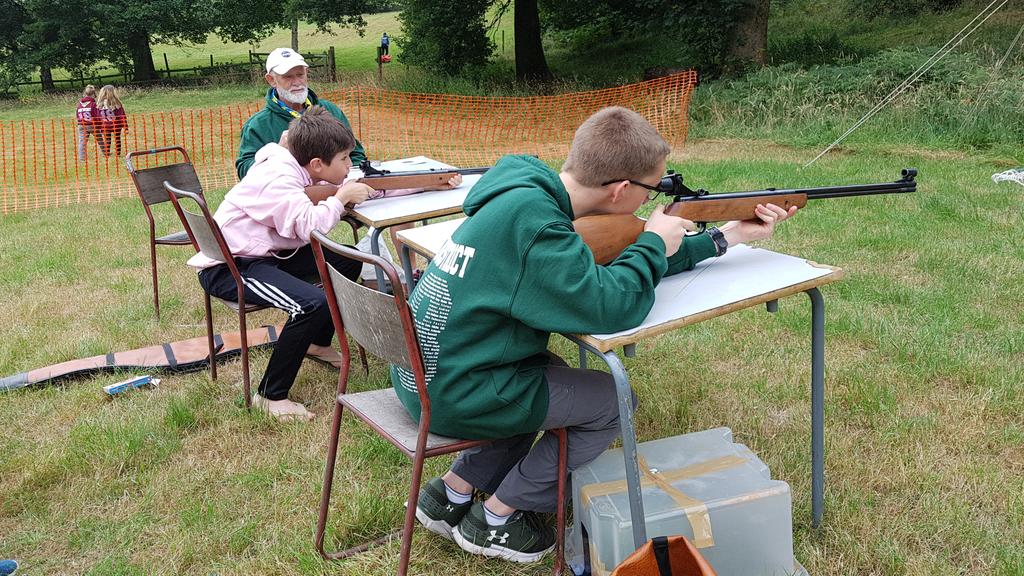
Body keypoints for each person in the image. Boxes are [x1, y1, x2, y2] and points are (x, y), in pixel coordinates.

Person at [398, 106, 797, 562]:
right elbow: (612, 306)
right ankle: (498, 517)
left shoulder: (522, 197)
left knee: (553, 376)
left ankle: (451, 491)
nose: (650, 204)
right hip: (453, 393)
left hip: (426, 373)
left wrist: (723, 239)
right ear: (621, 190)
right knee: (614, 401)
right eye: (650, 192)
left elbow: (600, 264)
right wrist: (651, 241)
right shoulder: (539, 228)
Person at [188, 106, 376, 422]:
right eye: (344, 159)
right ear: (317, 164)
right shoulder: (278, 178)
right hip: (232, 267)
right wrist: (340, 198)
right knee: (310, 305)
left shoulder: (290, 164)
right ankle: (270, 395)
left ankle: (316, 343)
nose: (349, 165)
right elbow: (306, 226)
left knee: (346, 261)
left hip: (264, 256)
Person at [237, 48, 366, 180]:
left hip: (335, 191)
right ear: (271, 80)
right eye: (288, 77)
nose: (297, 82)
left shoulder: (330, 110)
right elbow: (244, 172)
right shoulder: (257, 125)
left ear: (307, 73)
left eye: (300, 75)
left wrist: (345, 180)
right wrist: (278, 152)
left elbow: (355, 154)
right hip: (288, 196)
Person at [96, 85, 128, 157]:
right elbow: (122, 116)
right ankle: (118, 154)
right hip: (116, 125)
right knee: (117, 139)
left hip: (105, 126)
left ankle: (107, 153)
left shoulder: (99, 105)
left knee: (107, 140)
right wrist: (125, 127)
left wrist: (99, 127)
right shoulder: (117, 104)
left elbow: (98, 117)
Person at [75, 85, 98, 161]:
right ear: (93, 94)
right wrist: (99, 124)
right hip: (92, 124)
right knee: (100, 139)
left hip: (81, 124)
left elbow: (77, 114)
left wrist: (79, 122)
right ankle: (106, 152)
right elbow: (96, 115)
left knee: (82, 142)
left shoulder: (80, 104)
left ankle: (82, 158)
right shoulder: (93, 104)